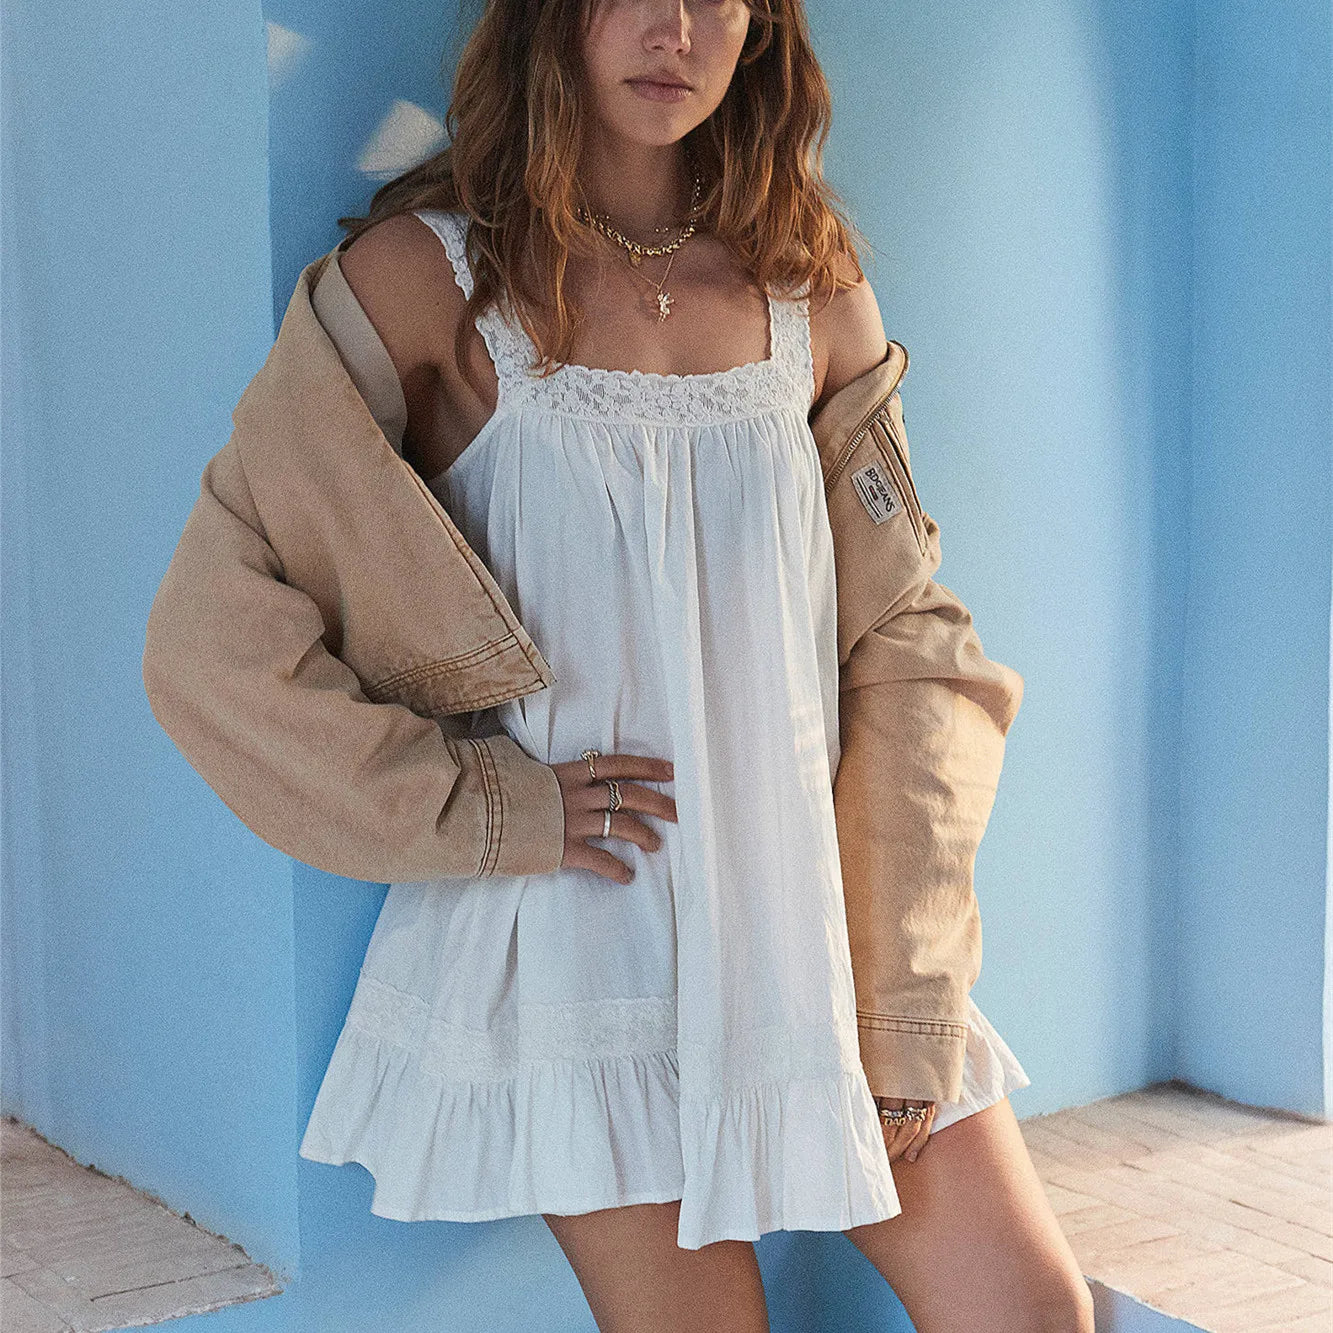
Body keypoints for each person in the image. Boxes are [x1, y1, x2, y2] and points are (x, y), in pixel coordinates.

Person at [236, 1, 1091, 1329]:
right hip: (585, 939)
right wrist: (478, 806)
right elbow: (227, 627)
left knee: (1027, 1310)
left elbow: (908, 636)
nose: (674, 28)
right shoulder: (426, 279)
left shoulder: (813, 284)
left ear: (762, 28)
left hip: (811, 913)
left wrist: (905, 969)